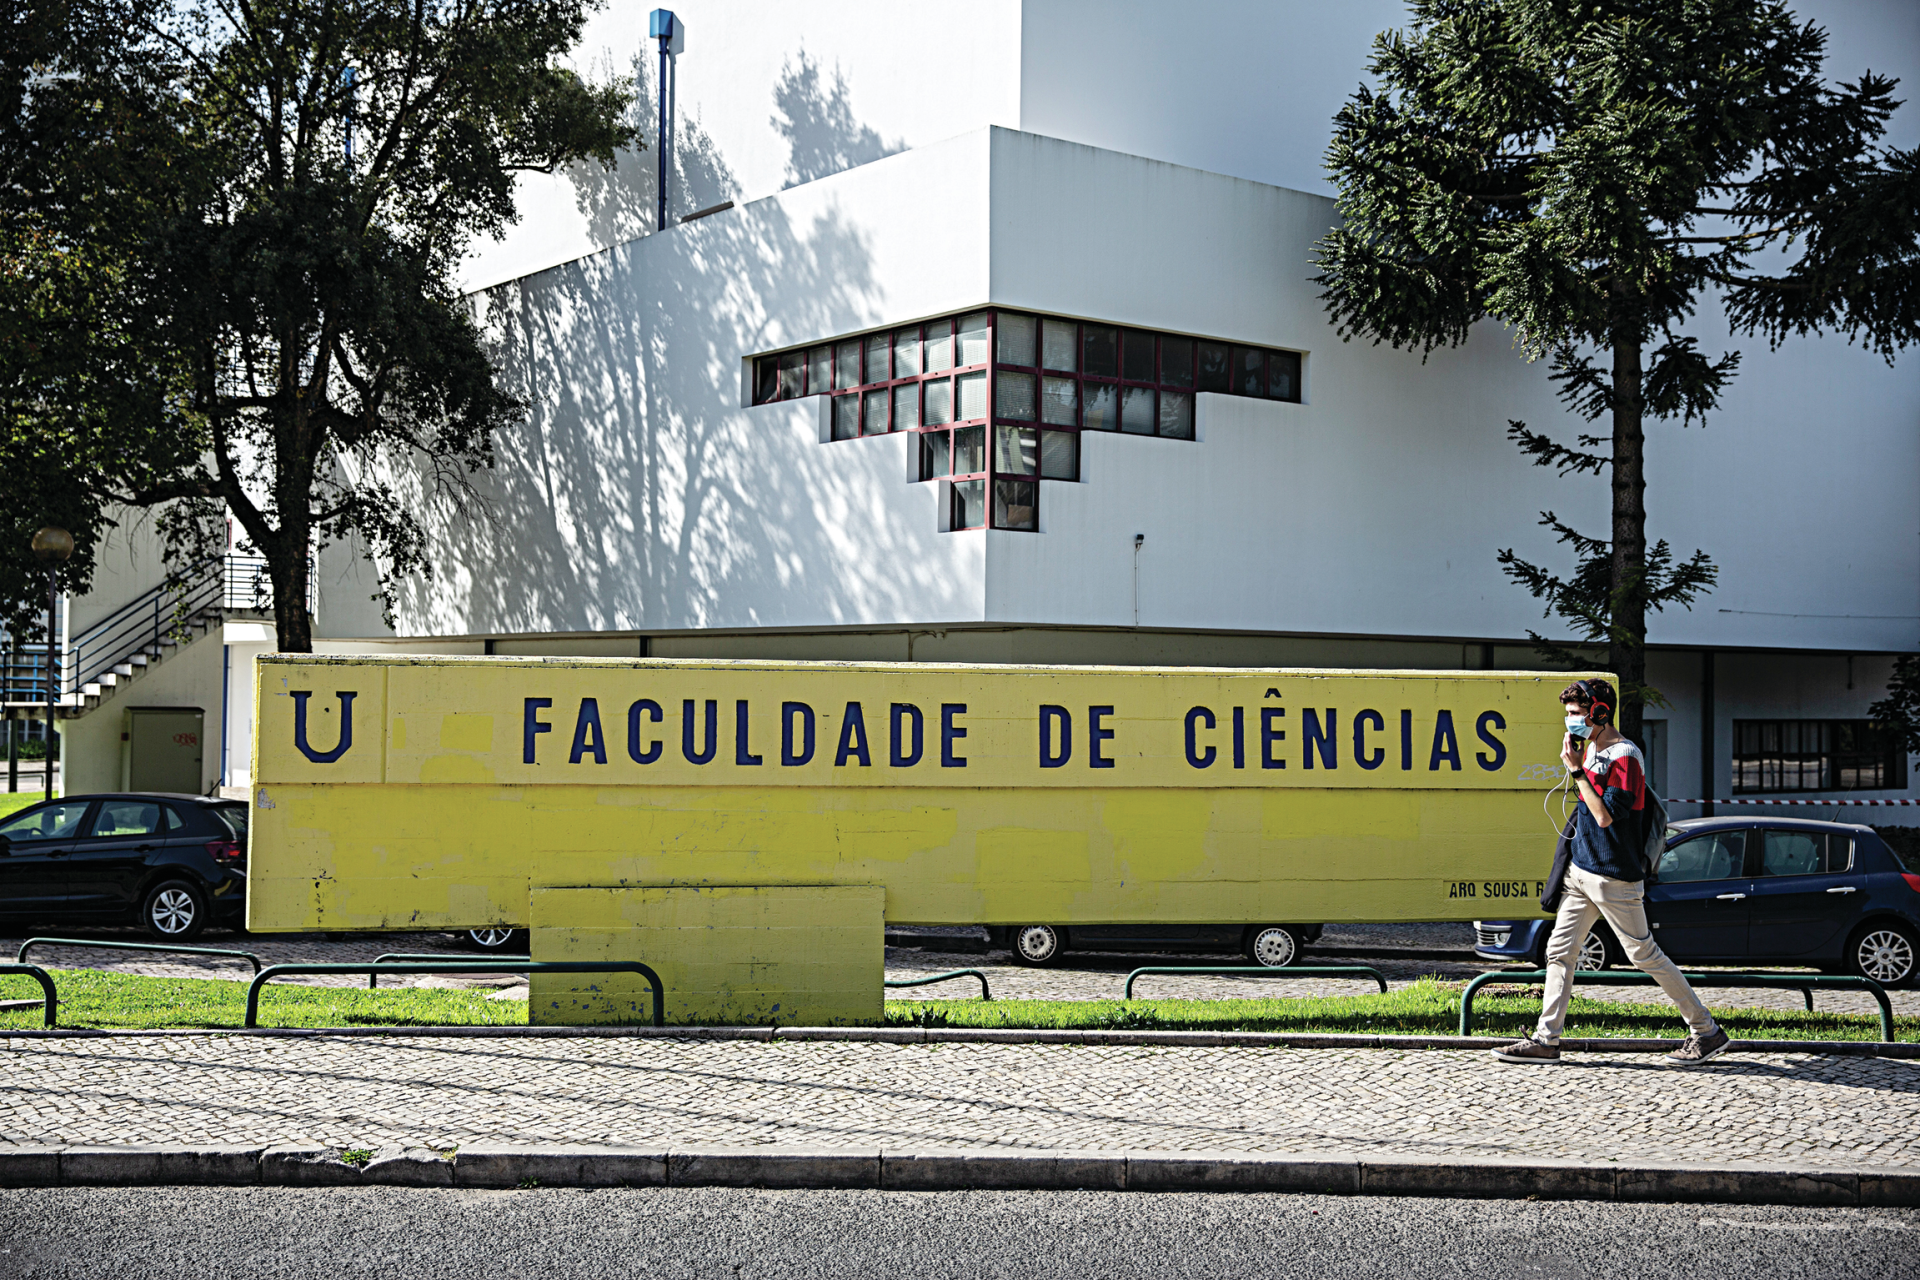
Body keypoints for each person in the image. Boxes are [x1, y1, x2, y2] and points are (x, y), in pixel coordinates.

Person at [1492, 679, 1731, 1066]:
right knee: (1559, 952)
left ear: (1600, 713)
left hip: (1614, 877)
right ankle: (1545, 1039)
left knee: (1643, 954)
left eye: (1576, 714)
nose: (1569, 721)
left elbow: (1605, 816)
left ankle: (1706, 1031)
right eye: (1567, 714)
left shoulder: (1625, 755)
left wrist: (1577, 773)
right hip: (1581, 872)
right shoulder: (1590, 750)